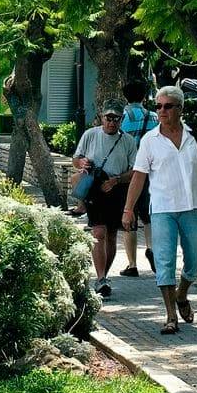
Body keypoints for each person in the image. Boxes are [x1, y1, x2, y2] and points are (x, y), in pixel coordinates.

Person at [121, 85, 197, 336]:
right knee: (164, 261)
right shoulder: (150, 140)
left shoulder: (195, 134)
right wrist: (128, 209)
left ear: (180, 108)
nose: (161, 111)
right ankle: (170, 316)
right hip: (162, 209)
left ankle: (182, 294)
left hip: (192, 206)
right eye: (157, 106)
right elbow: (138, 177)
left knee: (195, 261)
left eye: (167, 106)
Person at [74, 107, 139, 297]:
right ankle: (101, 277)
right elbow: (76, 159)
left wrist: (116, 180)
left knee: (111, 235)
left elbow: (135, 171)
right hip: (95, 188)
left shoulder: (127, 141)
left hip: (117, 190)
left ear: (121, 120)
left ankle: (103, 276)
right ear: (101, 118)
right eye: (108, 118)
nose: (111, 122)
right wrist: (82, 163)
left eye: (116, 119)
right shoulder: (90, 135)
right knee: (98, 232)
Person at [115, 78, 152, 277]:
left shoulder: (123, 117)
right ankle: (152, 248)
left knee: (129, 217)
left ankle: (132, 264)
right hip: (151, 173)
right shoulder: (154, 116)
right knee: (148, 216)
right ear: (144, 96)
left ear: (125, 96)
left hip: (129, 173)